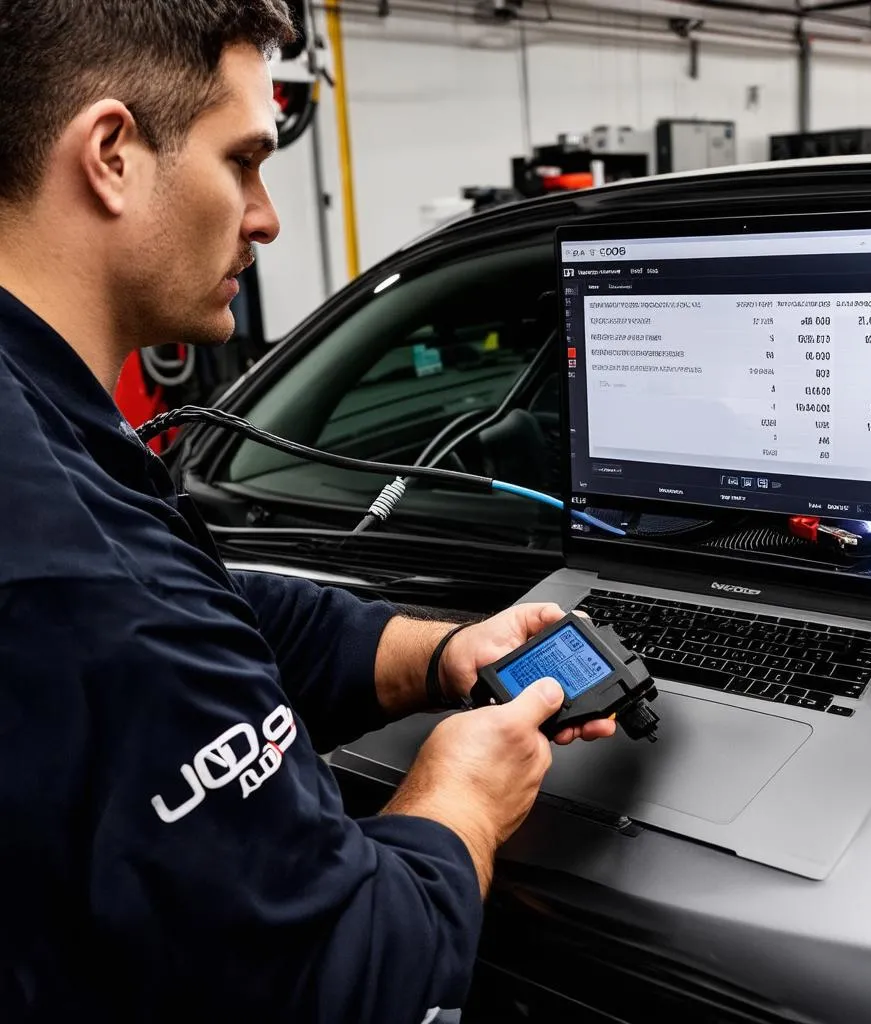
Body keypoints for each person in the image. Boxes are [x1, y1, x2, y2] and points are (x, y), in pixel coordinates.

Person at [0, 2, 615, 1021]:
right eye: (242, 159)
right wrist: (459, 794)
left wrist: (440, 651)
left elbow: (210, 603)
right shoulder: (77, 583)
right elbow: (352, 976)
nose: (267, 214)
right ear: (110, 153)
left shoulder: (44, 431)